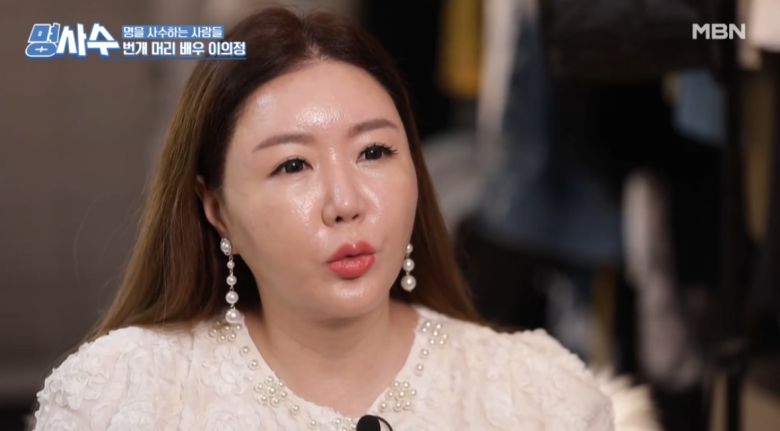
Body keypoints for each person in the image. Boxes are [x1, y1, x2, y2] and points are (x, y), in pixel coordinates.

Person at [32, 7, 653, 430]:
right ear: (216, 207)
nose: (345, 202)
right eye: (292, 165)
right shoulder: (123, 395)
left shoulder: (537, 396)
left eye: (374, 152)